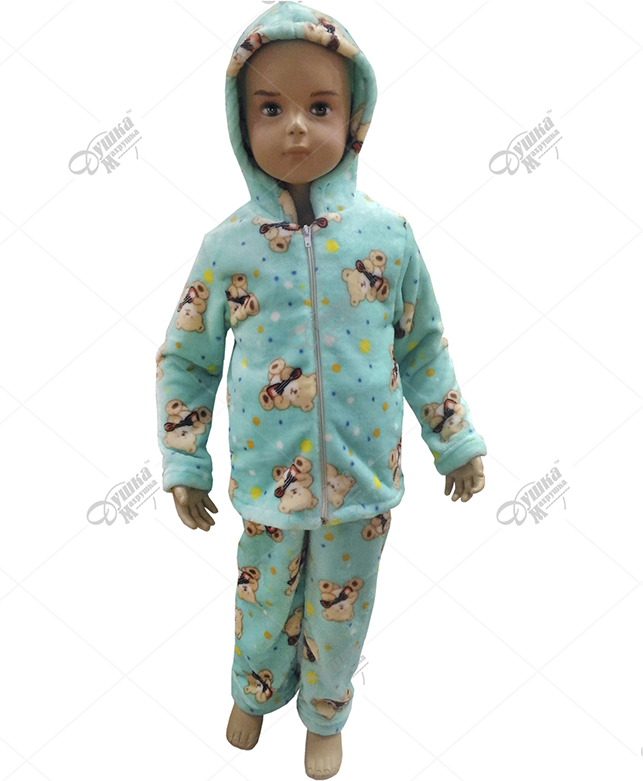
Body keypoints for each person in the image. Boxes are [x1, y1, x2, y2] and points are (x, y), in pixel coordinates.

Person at [155, 3, 487, 778]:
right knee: (263, 591)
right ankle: (255, 688)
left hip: (363, 479)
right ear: (240, 124)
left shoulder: (386, 237)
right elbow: (187, 358)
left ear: (354, 117)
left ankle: (326, 708)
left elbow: (423, 344)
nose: (297, 128)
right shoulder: (228, 247)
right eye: (271, 109)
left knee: (343, 604)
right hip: (269, 476)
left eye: (319, 107)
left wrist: (454, 441)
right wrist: (185, 460)